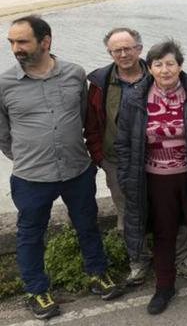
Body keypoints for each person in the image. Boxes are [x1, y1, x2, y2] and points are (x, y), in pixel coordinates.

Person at [1, 16, 124, 319]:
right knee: (30, 234)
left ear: (46, 41)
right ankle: (36, 289)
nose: (16, 48)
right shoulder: (3, 84)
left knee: (88, 226)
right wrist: (28, 156)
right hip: (31, 177)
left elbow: (85, 117)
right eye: (11, 42)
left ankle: (97, 274)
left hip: (77, 171)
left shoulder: (74, 74)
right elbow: (3, 135)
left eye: (22, 41)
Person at [115, 40, 187, 315]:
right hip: (155, 180)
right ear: (150, 67)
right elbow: (123, 144)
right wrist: (128, 181)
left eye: (170, 64)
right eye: (158, 64)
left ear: (179, 66)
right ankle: (164, 286)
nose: (165, 70)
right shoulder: (135, 99)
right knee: (164, 233)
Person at [86, 27, 187, 285]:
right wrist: (100, 156)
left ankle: (182, 258)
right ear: (110, 53)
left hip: (162, 159)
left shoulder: (157, 73)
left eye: (128, 48)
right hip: (119, 161)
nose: (124, 54)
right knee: (128, 214)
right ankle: (138, 261)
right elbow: (92, 124)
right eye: (117, 50)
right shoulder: (100, 83)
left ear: (139, 49)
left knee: (176, 211)